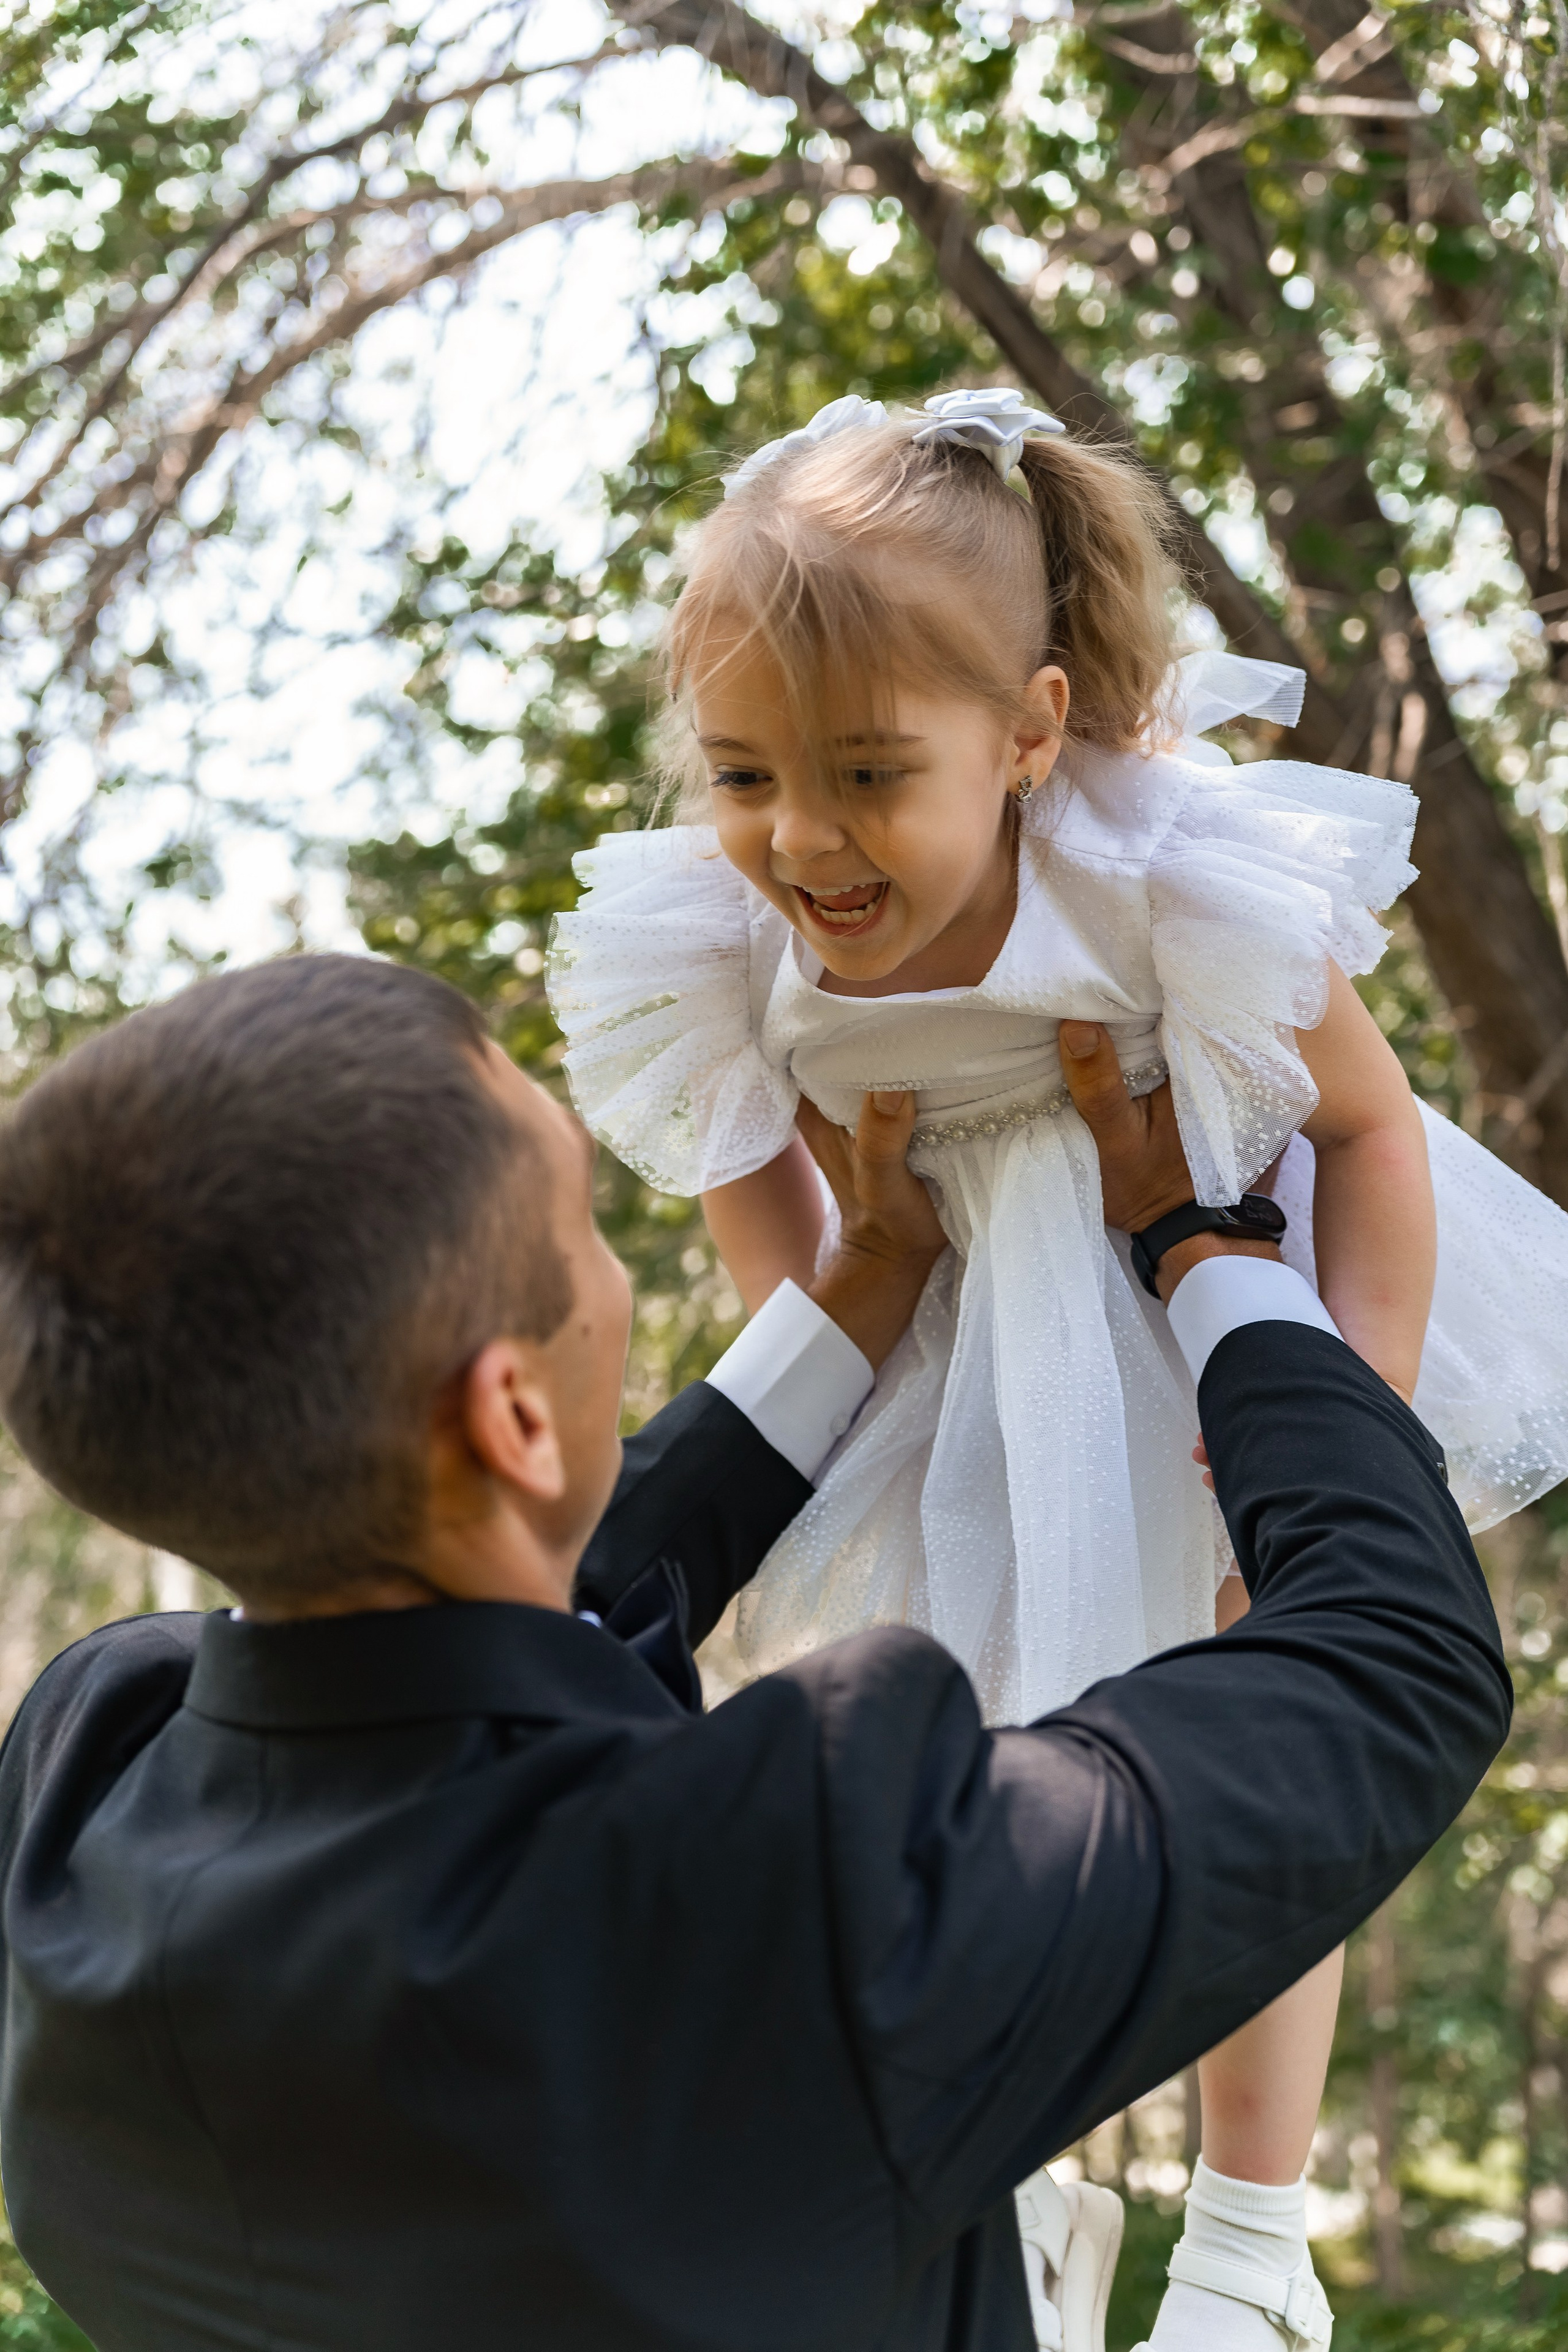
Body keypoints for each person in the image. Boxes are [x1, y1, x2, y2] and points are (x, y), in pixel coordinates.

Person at [0, 951, 1509, 2352]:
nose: (607, 1277)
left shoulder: (90, 1768)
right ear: (513, 1415)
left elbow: (498, 1614)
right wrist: (1208, 1252)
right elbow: (1394, 1651)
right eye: (581, 1226)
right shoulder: (800, 1898)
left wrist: (857, 1285)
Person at [545, 385, 1568, 2345]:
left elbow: (1369, 1134)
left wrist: (1348, 1431)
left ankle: (1254, 2242)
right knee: (953, 1753)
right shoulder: (723, 942)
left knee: (1248, 1748)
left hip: (1204, 1333)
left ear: (1024, 733)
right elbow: (792, 1247)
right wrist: (820, 1448)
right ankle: (1014, 2199)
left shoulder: (1157, 871)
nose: (804, 839)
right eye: (749, 775)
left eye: (865, 773)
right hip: (941, 1362)